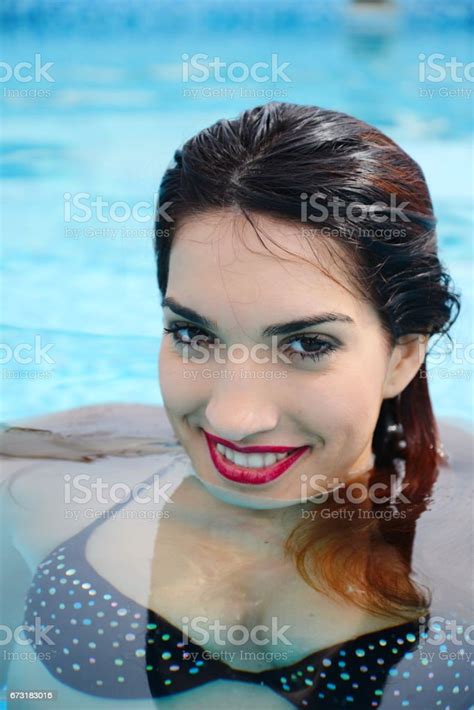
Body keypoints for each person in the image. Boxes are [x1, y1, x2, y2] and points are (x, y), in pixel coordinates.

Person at [1, 102, 472, 708]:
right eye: (194, 335)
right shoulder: (38, 481)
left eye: (306, 344)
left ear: (402, 356)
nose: (233, 419)